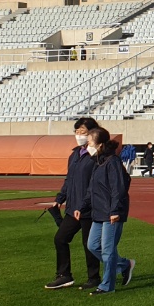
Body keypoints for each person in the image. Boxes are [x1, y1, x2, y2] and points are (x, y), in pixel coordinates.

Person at [45, 117, 103, 291]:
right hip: (73, 207)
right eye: (77, 132)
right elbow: (69, 179)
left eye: (83, 132)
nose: (79, 136)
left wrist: (84, 205)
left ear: (92, 134)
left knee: (89, 244)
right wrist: (60, 198)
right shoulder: (74, 155)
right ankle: (64, 275)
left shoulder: (97, 157)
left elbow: (95, 184)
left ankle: (94, 277)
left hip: (90, 208)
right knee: (60, 238)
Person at [84, 126, 135, 295]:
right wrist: (82, 206)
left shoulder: (112, 162)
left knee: (108, 249)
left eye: (90, 142)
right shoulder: (98, 162)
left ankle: (107, 286)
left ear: (99, 144)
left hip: (112, 213)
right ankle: (123, 265)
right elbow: (93, 189)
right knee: (92, 245)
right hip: (98, 212)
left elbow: (118, 188)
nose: (87, 145)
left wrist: (115, 211)